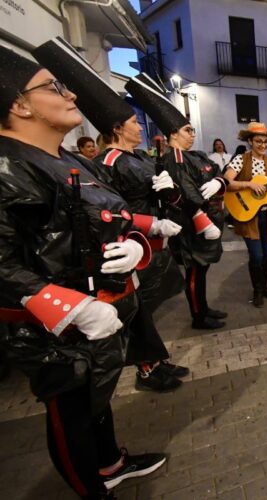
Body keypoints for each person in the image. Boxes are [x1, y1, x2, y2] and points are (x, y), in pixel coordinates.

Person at [0, 45, 166, 498]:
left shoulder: (71, 160)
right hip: (55, 334)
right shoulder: (8, 166)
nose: (71, 93)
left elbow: (113, 218)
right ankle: (92, 490)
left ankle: (111, 463)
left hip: (104, 313)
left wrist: (136, 247)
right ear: (19, 103)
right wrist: (68, 308)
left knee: (98, 401)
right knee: (71, 415)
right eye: (55, 86)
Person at [34, 37, 188, 392]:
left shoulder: (140, 158)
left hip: (146, 241)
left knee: (145, 308)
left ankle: (155, 361)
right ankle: (148, 368)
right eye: (134, 121)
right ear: (118, 128)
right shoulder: (107, 162)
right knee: (138, 310)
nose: (139, 126)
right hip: (124, 247)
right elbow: (108, 211)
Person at [127, 73, 228, 330]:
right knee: (194, 273)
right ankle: (198, 316)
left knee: (202, 271)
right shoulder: (175, 158)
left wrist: (220, 182)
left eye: (192, 130)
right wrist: (203, 216)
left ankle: (204, 308)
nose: (192, 134)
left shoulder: (192, 154)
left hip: (202, 224)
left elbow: (215, 172)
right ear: (173, 133)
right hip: (190, 228)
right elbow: (188, 191)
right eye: (187, 130)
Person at [224, 122, 267, 307]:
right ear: (250, 141)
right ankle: (257, 291)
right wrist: (249, 184)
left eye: (265, 142)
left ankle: (263, 287)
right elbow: (226, 182)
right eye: (258, 141)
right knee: (256, 255)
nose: (263, 145)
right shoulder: (241, 159)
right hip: (247, 214)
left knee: (266, 255)